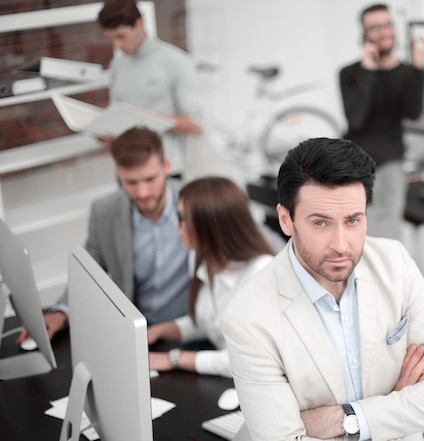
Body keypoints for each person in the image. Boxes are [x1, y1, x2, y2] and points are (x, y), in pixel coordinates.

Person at [221, 137, 424, 441]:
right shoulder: (248, 316)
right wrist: (395, 404)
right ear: (286, 220)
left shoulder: (395, 262)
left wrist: (347, 419)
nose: (341, 245)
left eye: (353, 220)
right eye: (321, 223)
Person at [18, 126, 189, 343]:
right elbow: (89, 273)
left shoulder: (196, 202)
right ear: (119, 175)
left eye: (150, 179)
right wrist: (60, 313)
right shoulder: (105, 211)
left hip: (187, 331)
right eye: (131, 182)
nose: (142, 193)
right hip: (132, 334)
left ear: (167, 167)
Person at [147, 177, 275, 376]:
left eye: (182, 218)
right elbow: (209, 323)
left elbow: (246, 360)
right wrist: (161, 331)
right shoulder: (200, 257)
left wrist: (174, 359)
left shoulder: (261, 272)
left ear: (209, 224)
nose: (176, 225)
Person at [339, 3, 424, 240]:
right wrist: (368, 70)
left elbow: (414, 112)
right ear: (364, 34)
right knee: (352, 227)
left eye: (388, 24)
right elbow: (356, 119)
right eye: (375, 27)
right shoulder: (349, 74)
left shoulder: (407, 73)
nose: (384, 31)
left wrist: (419, 67)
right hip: (354, 160)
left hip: (389, 158)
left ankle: (387, 276)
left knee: (386, 229)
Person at [97, 0, 203, 178]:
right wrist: (106, 132)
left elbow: (196, 125)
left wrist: (144, 119)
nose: (117, 46)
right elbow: (116, 111)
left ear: (139, 23)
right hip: (126, 171)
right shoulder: (117, 64)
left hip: (163, 172)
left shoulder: (175, 61)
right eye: (111, 39)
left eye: (121, 36)